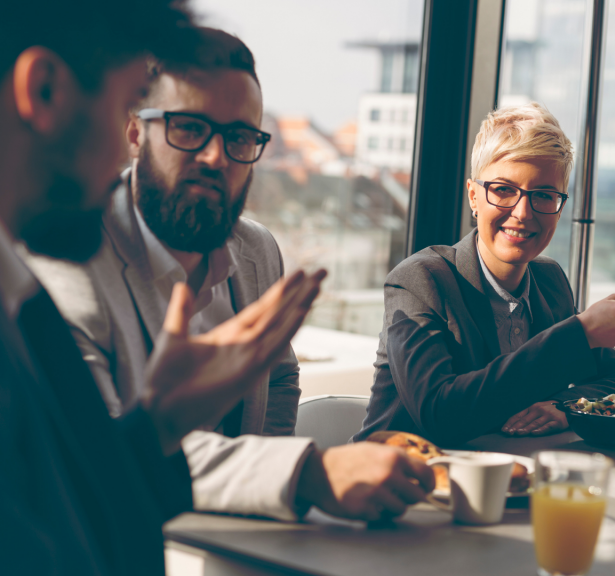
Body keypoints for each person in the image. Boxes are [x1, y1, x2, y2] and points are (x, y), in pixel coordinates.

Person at [29, 27, 435, 523]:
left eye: (239, 136)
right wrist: (301, 473)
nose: (216, 157)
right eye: (189, 127)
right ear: (136, 130)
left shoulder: (257, 249)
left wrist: (261, 510)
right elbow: (98, 450)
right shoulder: (70, 259)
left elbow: (280, 379)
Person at [0, 1, 326, 574]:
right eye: (126, 105)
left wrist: (160, 425)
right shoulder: (48, 287)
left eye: (238, 139)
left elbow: (76, 515)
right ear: (44, 91)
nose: (214, 158)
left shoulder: (18, 292)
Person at [356, 103, 615, 446]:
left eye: (543, 195)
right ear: (474, 196)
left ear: (560, 208)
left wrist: (563, 406)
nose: (522, 212)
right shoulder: (420, 280)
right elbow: (440, 415)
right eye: (503, 190)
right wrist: (580, 332)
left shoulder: (550, 282)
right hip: (404, 483)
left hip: (507, 481)